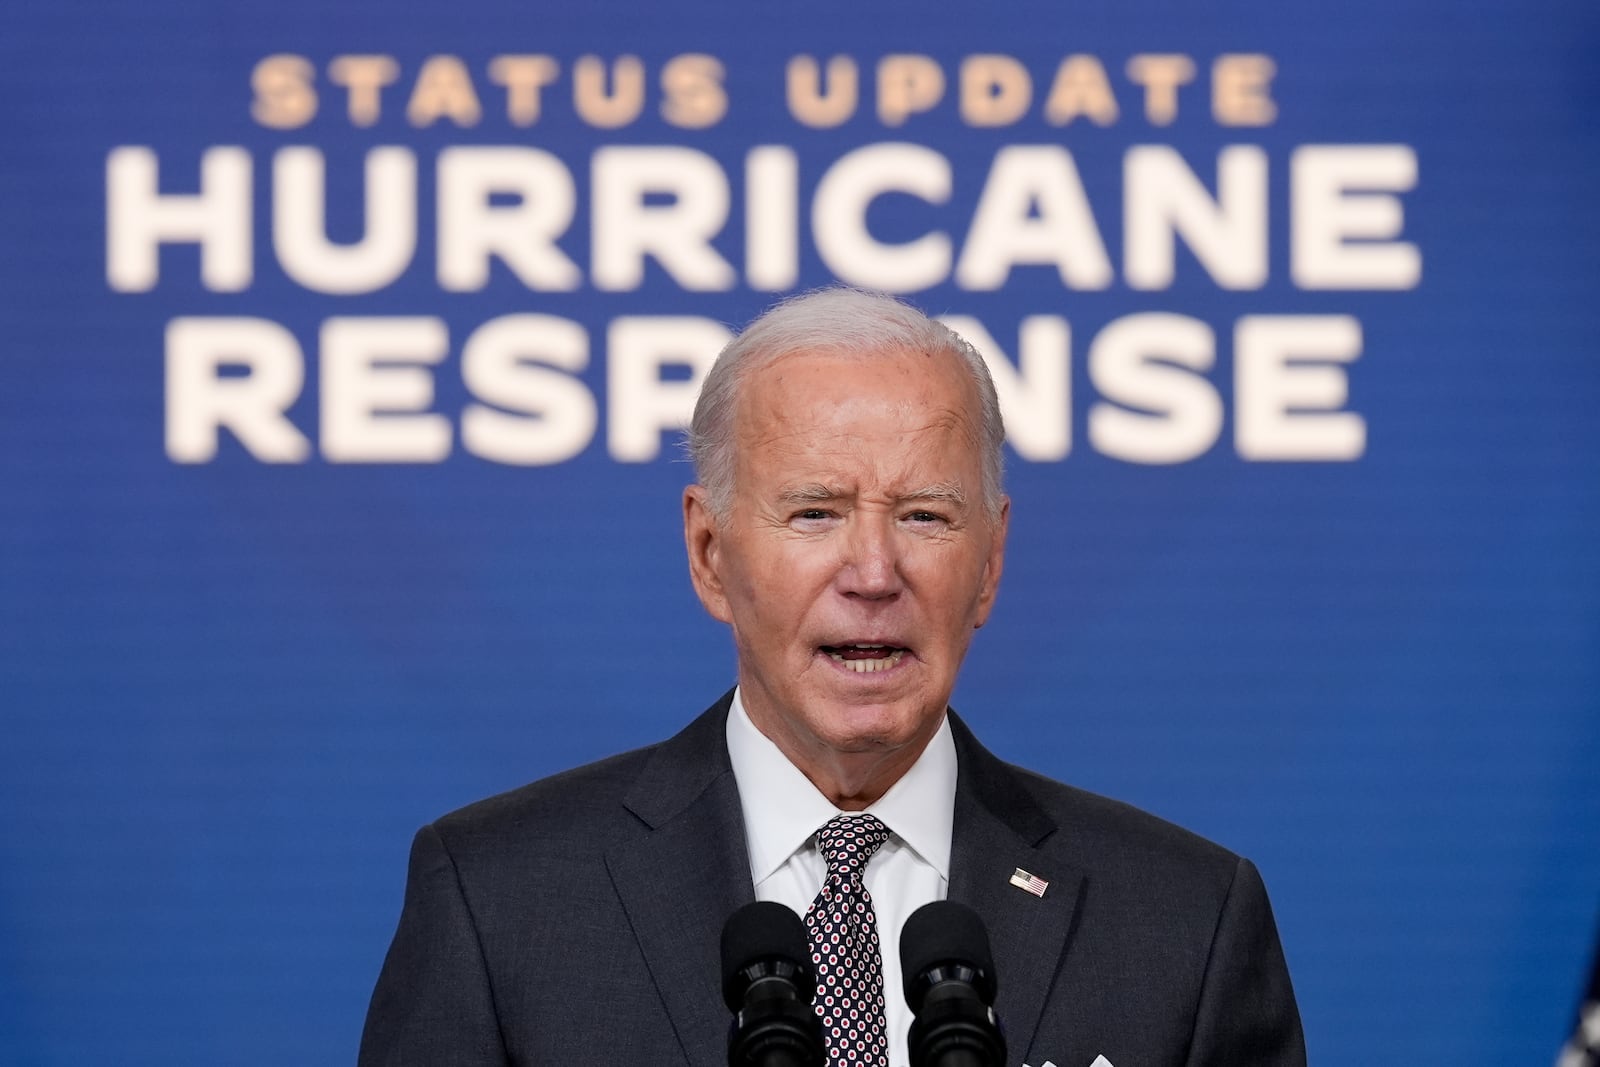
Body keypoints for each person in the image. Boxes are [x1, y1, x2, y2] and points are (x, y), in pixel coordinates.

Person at [358, 288, 1307, 1067]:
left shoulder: (1185, 922)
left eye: (926, 517)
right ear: (708, 552)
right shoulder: (500, 900)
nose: (873, 572)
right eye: (814, 512)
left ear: (991, 563)